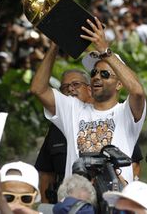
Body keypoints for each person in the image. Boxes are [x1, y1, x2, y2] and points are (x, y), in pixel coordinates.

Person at [30, 17, 146, 183]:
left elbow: (138, 91)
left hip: (114, 200)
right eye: (94, 73)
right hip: (78, 200)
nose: (97, 77)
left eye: (104, 74)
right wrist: (55, 45)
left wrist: (105, 51)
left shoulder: (126, 112)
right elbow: (38, 89)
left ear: (119, 83)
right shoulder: (73, 109)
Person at [34, 69, 92, 203]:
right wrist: (45, 209)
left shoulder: (106, 117)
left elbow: (133, 164)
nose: (70, 89)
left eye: (76, 84)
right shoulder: (56, 127)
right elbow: (46, 173)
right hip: (67, 201)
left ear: (89, 89)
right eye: (65, 87)